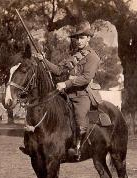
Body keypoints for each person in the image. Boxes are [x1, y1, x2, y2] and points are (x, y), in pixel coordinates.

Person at [35, 21, 101, 158]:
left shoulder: (93, 57)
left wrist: (66, 84)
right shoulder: (74, 56)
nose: (78, 41)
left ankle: (78, 148)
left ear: (88, 38)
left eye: (82, 37)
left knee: (80, 119)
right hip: (67, 95)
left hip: (82, 95)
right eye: (77, 38)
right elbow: (59, 70)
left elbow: (86, 78)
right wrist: (43, 60)